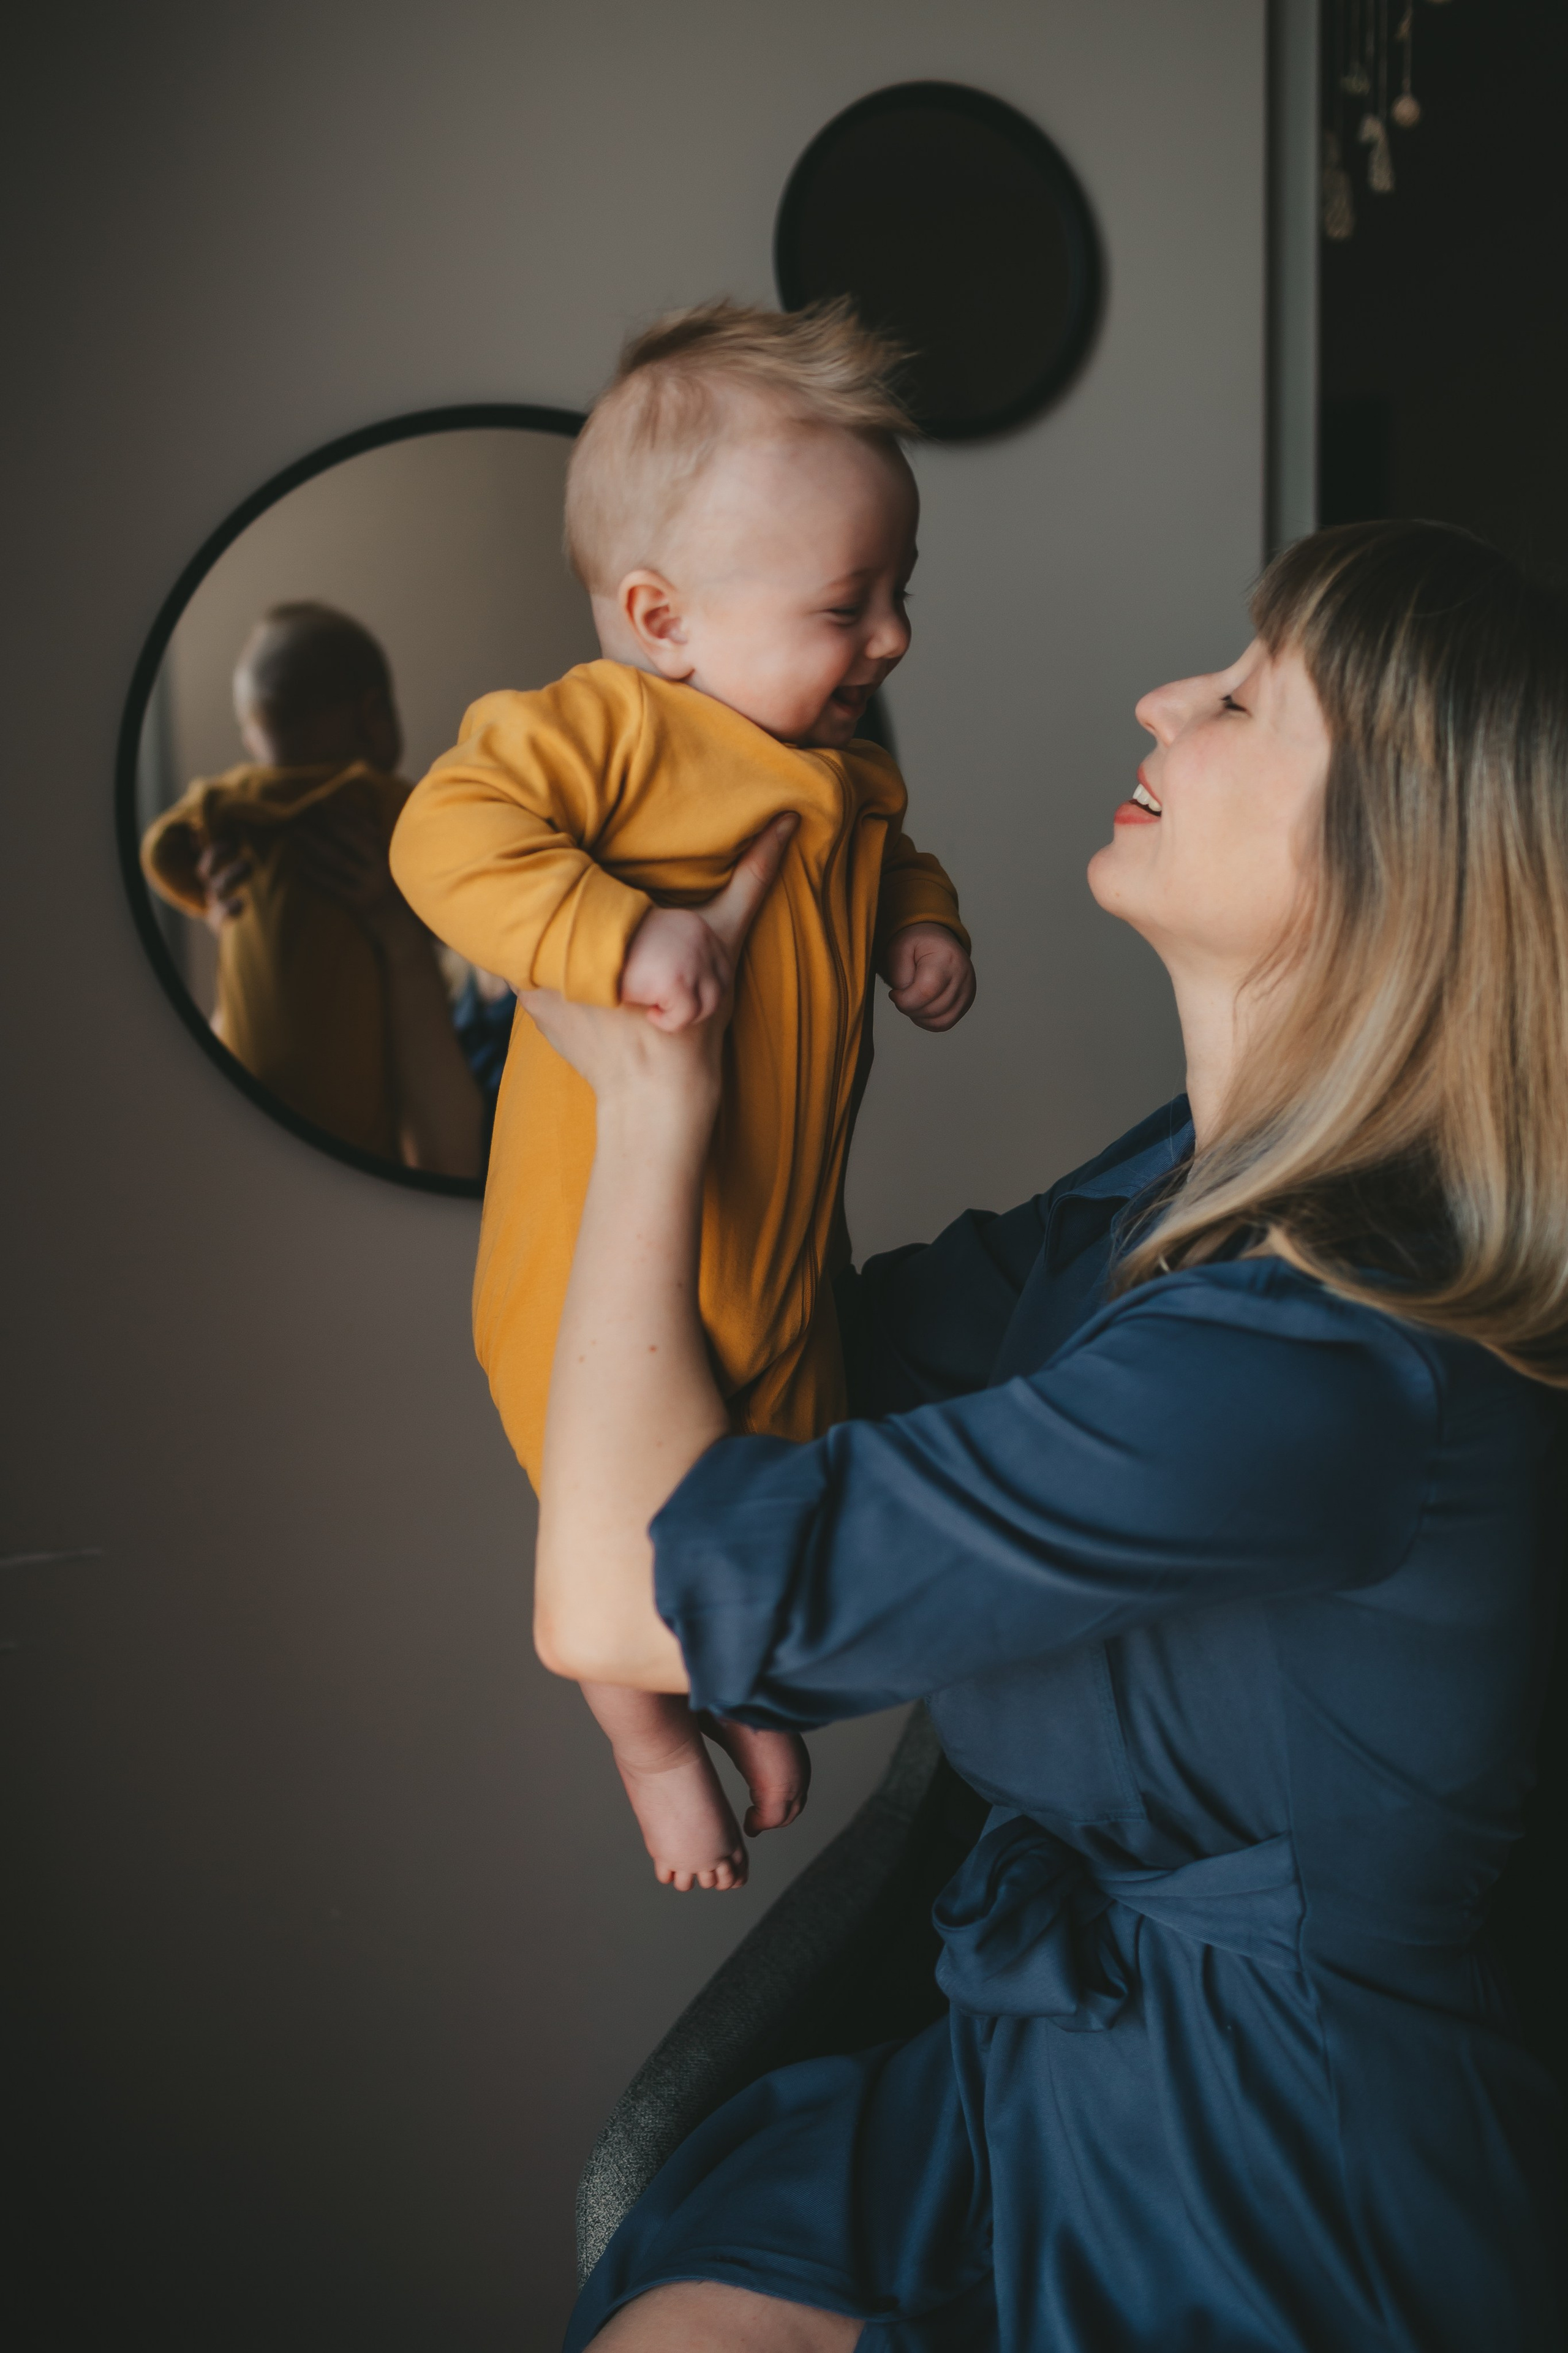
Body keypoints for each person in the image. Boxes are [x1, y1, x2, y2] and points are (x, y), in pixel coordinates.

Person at [521, 521, 1567, 2350]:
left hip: (1266, 2176)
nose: (1164, 699)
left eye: (1243, 695)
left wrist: (645, 1115)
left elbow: (630, 1596)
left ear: (1391, 848)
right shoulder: (1160, 1188)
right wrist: (735, 1007)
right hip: (1019, 2063)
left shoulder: (1331, 1347)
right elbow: (788, 1376)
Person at [390, 302, 976, 1894]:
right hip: (598, 1266)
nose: (894, 640)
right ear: (662, 616)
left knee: (757, 1526)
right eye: (848, 605)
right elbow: (441, 838)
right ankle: (653, 1751)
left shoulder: (847, 773)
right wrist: (617, 933)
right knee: (618, 1527)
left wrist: (922, 921)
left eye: (899, 597)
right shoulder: (610, 731)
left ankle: (741, 1701)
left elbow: (885, 854)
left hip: (778, 1262)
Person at [141, 602, 483, 1176]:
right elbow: (456, 873)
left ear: (254, 733)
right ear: (375, 715)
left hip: (248, 1108)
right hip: (358, 1142)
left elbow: (158, 849)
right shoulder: (374, 800)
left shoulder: (226, 807)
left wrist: (207, 900)